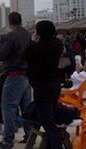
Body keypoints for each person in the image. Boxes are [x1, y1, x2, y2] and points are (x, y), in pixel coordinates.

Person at [23, 21, 64, 149]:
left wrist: (32, 40)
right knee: (50, 116)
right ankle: (49, 146)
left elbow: (25, 56)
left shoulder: (34, 47)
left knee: (48, 122)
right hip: (54, 84)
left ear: (39, 32)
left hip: (41, 86)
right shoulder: (58, 45)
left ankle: (56, 145)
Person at [0, 12, 32, 149]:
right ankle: (29, 135)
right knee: (26, 107)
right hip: (26, 75)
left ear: (9, 22)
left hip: (14, 74)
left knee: (8, 107)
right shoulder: (27, 35)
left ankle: (7, 140)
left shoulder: (11, 36)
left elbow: (2, 55)